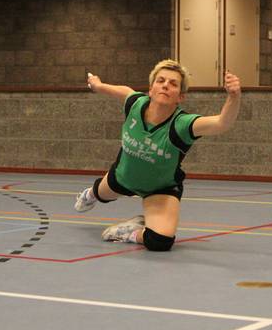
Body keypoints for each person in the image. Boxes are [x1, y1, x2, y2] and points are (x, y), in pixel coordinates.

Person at [74, 59, 241, 251]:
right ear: (151, 89)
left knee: (160, 241)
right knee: (99, 193)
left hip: (160, 188)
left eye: (173, 83)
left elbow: (221, 123)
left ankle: (129, 232)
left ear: (180, 97)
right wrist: (98, 85)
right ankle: (89, 194)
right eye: (160, 81)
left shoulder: (182, 125)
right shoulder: (135, 103)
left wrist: (234, 96)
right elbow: (123, 90)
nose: (165, 85)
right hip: (123, 177)